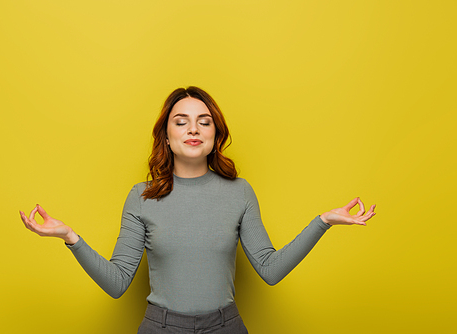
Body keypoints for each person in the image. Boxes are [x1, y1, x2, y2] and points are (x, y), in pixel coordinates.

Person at [20, 86, 376, 333]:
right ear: (167, 136)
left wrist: (323, 221)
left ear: (215, 134)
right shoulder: (141, 196)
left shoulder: (239, 192)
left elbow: (270, 269)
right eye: (181, 121)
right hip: (161, 328)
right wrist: (70, 237)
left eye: (204, 121)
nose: (193, 128)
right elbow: (117, 284)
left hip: (226, 327)